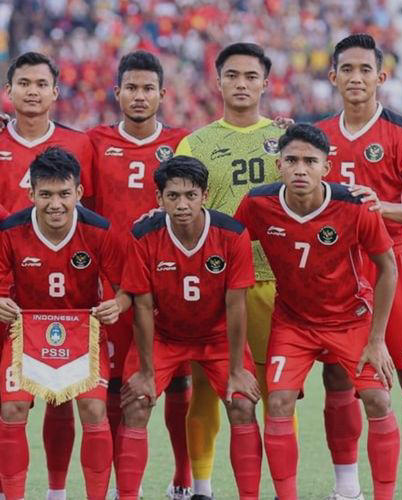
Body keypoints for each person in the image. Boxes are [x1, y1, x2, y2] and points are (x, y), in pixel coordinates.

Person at [234, 124, 399, 500]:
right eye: (291, 160)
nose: (300, 169)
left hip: (350, 320)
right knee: (278, 402)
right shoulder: (257, 203)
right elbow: (223, 240)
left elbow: (388, 267)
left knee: (378, 399)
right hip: (292, 323)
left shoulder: (354, 205)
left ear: (327, 166)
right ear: (279, 165)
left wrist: (377, 341)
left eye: (310, 161)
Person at [317, 33, 402, 500]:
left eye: (365, 69)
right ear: (333, 76)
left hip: (393, 264)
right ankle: (346, 486)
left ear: (381, 76)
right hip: (338, 270)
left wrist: (379, 207)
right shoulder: (319, 136)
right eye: (347, 69)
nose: (356, 77)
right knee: (337, 376)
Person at [173, 42, 288, 500]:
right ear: (218, 82)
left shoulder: (286, 139)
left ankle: (282, 489)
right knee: (206, 388)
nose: (242, 84)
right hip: (213, 283)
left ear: (266, 83)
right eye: (233, 75)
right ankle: (202, 488)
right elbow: (179, 211)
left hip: (272, 281)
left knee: (277, 391)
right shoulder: (194, 143)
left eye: (251, 76)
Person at [0, 147, 123, 500]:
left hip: (83, 330)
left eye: (63, 194)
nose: (55, 204)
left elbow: (126, 288)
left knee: (94, 408)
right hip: (26, 330)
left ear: (78, 193)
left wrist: (117, 304)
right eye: (46, 195)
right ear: (31, 194)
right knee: (12, 407)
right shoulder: (12, 230)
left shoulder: (99, 230)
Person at [0, 52, 96, 500]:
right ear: (8, 91)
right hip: (2, 290)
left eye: (40, 83)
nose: (32, 91)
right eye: (23, 83)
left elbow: (90, 213)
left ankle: (56, 491)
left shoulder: (79, 143)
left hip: (63, 289)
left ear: (55, 91)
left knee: (60, 393)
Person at [116, 155, 262, 500]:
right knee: (136, 402)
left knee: (242, 403)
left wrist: (237, 370)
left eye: (190, 195)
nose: (182, 205)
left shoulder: (232, 233)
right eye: (173, 196)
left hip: (217, 337)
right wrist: (147, 372)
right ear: (159, 198)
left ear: (204, 195)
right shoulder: (143, 235)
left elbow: (236, 304)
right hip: (164, 337)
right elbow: (142, 305)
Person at [86, 50, 193, 498]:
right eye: (131, 87)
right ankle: (119, 486)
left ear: (162, 94)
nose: (139, 95)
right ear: (117, 92)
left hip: (167, 281)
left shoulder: (182, 142)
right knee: (118, 386)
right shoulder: (94, 141)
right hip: (113, 283)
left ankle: (184, 478)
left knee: (178, 382)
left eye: (148, 88)